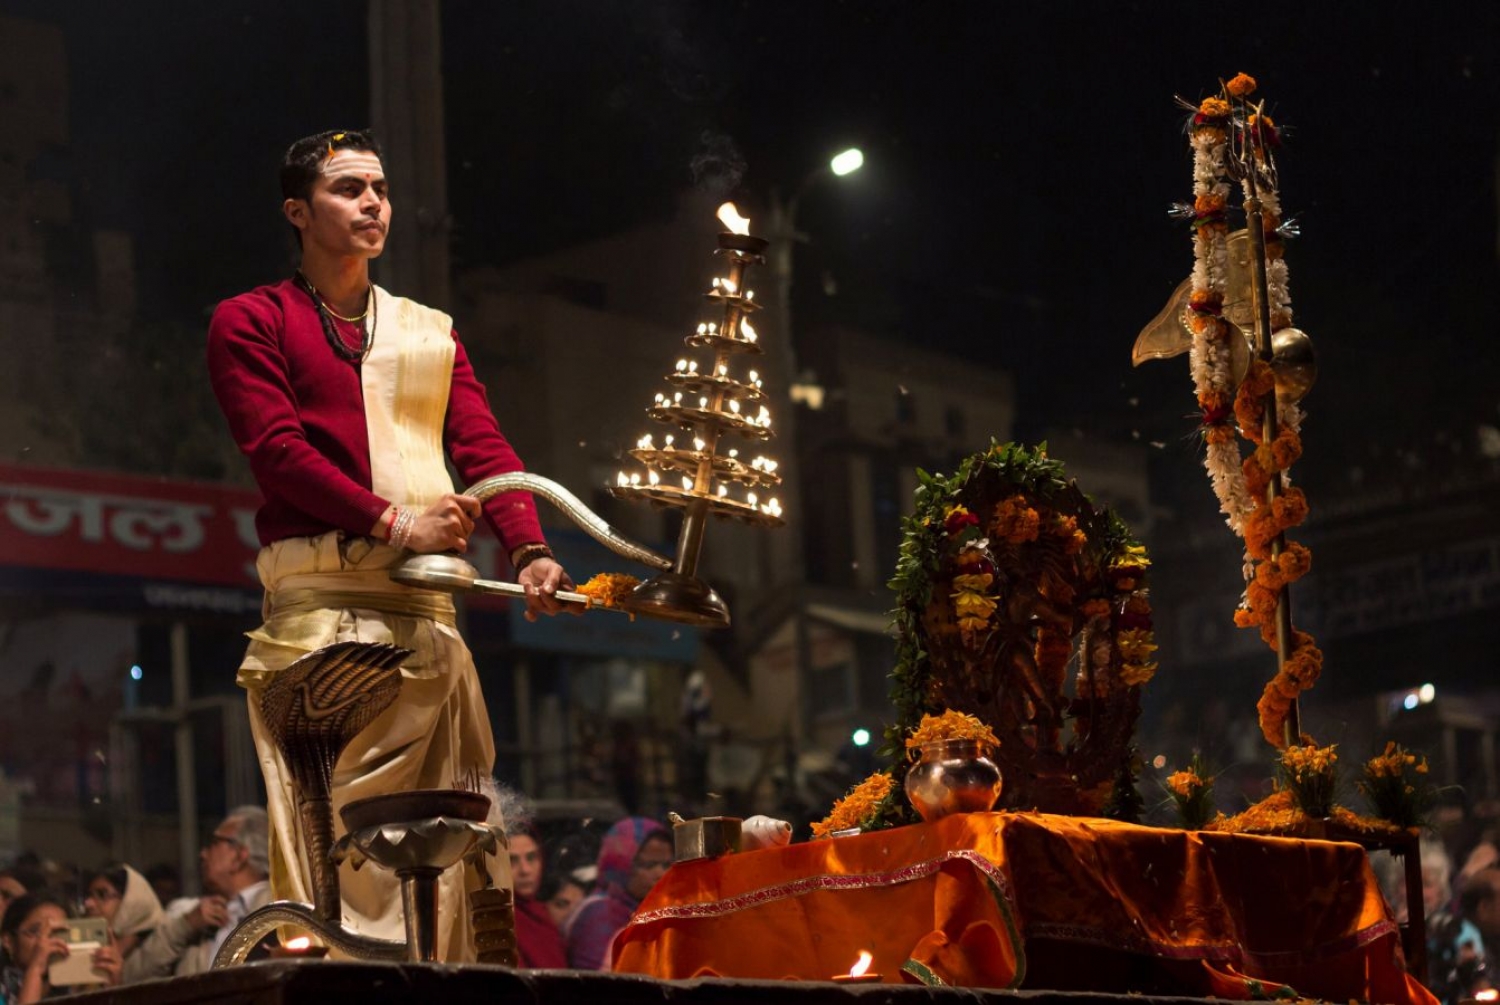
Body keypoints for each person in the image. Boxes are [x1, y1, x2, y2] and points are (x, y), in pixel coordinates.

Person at [206, 129, 574, 962]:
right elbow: (277, 451)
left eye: (379, 187)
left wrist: (530, 551)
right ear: (298, 212)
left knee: (457, 829)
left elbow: (484, 448)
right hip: (322, 624)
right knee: (344, 844)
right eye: (347, 189)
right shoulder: (250, 320)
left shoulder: (427, 332)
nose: (372, 202)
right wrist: (397, 523)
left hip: (430, 617)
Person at [129, 807, 271, 977]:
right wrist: (185, 925)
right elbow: (132, 976)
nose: (203, 854)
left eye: (214, 843)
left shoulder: (281, 908)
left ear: (238, 857)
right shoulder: (193, 917)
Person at [566, 817, 669, 971]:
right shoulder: (600, 915)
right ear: (620, 864)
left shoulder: (654, 910)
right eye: (648, 865)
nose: (661, 873)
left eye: (666, 864)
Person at [1, 891, 121, 1002]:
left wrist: (113, 988)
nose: (46, 940)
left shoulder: (77, 989)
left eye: (59, 933)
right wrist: (36, 969)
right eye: (35, 931)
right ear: (8, 941)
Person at [79, 864, 163, 983]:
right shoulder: (85, 949)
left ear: (130, 902)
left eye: (102, 894)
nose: (89, 904)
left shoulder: (155, 955)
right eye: (89, 895)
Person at [509, 825, 566, 968]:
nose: (525, 870)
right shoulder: (496, 921)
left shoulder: (542, 914)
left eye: (531, 857)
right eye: (512, 860)